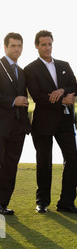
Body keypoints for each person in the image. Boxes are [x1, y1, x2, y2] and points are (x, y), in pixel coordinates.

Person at [24, 30, 77, 214]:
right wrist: (62, 100)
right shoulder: (30, 69)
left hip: (66, 121)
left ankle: (66, 202)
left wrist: (61, 91)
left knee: (73, 159)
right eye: (43, 44)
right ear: (36, 46)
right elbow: (38, 96)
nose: (47, 47)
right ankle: (42, 201)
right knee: (44, 161)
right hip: (43, 122)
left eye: (50, 44)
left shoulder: (64, 65)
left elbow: (74, 87)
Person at [0, 33, 31, 215]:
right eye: (13, 46)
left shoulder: (22, 71)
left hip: (18, 128)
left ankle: (3, 204)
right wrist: (13, 101)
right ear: (5, 47)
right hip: (1, 126)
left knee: (11, 166)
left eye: (19, 46)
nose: (16, 49)